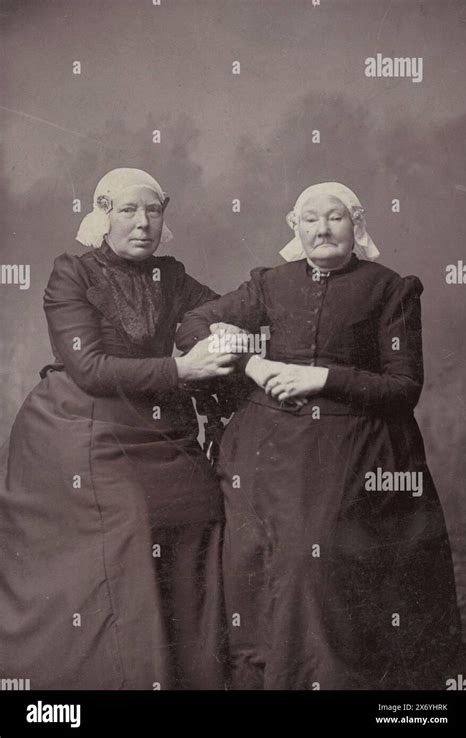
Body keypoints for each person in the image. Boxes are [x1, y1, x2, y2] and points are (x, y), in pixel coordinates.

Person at [176, 182, 464, 690]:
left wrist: (321, 378)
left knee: (318, 557)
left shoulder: (390, 288)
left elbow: (403, 386)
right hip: (265, 446)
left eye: (334, 218)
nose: (322, 229)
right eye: (310, 219)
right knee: (248, 556)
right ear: (295, 226)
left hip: (353, 444)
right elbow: (195, 323)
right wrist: (253, 362)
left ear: (356, 225)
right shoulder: (269, 283)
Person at [0, 168, 238, 689]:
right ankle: (125, 676)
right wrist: (182, 369)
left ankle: (188, 674)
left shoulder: (170, 276)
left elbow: (224, 307)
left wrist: (226, 324)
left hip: (155, 424)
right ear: (103, 213)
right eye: (128, 210)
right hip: (83, 423)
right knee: (133, 519)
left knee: (203, 507)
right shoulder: (73, 275)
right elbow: (91, 370)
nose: (143, 222)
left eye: (153, 210)